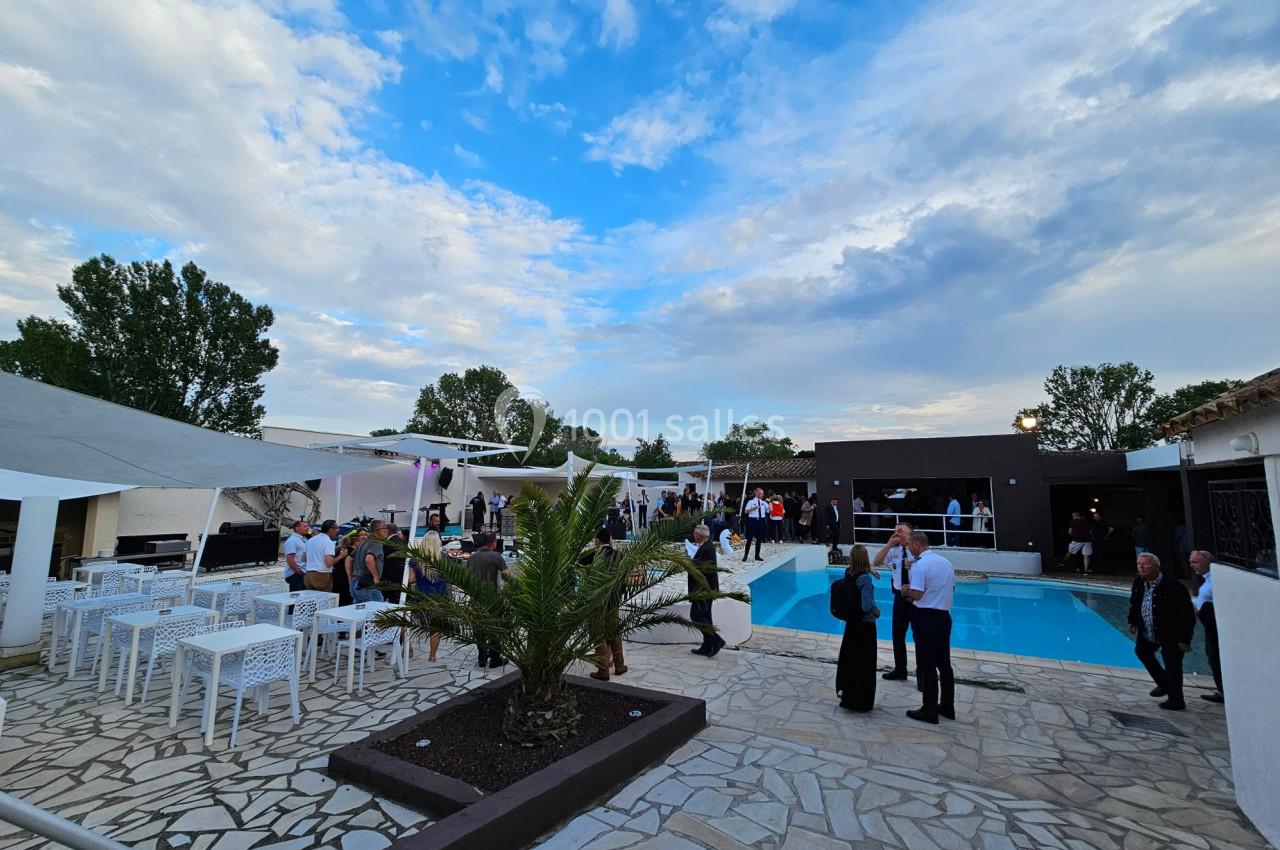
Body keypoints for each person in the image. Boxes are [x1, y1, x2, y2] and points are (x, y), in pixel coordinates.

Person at [1127, 552, 1196, 711]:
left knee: (1173, 665)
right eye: (1139, 564)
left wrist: (1185, 639)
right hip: (1148, 631)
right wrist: (1132, 620)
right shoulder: (1139, 582)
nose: (1141, 567)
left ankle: (1176, 700)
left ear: (1157, 566)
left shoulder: (1174, 587)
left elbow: (1186, 615)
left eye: (1145, 564)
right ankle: (1164, 683)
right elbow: (1135, 602)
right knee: (1142, 652)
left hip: (1170, 633)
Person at [904, 531, 956, 724]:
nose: (908, 548)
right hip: (943, 615)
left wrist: (906, 590)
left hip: (926, 616)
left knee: (927, 664)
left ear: (917, 544)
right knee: (944, 663)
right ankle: (947, 705)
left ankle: (929, 709)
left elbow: (917, 594)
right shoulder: (945, 562)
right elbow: (952, 587)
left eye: (909, 544)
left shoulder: (920, 565)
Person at [832, 544, 879, 712]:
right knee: (865, 664)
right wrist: (876, 610)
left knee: (850, 661)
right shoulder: (865, 580)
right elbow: (866, 606)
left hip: (851, 624)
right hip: (865, 626)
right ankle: (862, 701)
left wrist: (869, 570)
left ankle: (847, 696)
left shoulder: (849, 573)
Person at [580, 529, 628, 681]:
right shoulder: (620, 555)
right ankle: (619, 665)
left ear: (597, 541)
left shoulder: (592, 555)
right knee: (614, 631)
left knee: (598, 634)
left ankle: (603, 671)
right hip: (613, 600)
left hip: (597, 601)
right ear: (611, 540)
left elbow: (577, 566)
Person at [875, 522, 916, 682]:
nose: (897, 534)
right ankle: (900, 669)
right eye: (895, 531)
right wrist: (888, 544)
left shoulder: (916, 548)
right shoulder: (894, 549)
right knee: (897, 634)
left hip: (916, 597)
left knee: (919, 635)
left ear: (910, 534)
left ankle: (923, 676)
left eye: (900, 531)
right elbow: (877, 562)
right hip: (900, 596)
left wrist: (914, 565)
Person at [408, 526, 448, 663]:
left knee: (404, 622)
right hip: (440, 597)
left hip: (421, 596)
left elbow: (410, 579)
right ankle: (432, 655)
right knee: (436, 627)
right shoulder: (444, 558)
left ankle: (409, 648)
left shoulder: (415, 559)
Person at [468, 533, 508, 668]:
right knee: (494, 627)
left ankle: (482, 657)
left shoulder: (472, 558)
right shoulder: (496, 556)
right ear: (493, 543)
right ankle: (495, 658)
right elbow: (507, 576)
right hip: (492, 599)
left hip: (476, 598)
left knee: (479, 627)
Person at [1189, 550, 1223, 703]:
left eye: (1195, 562)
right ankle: (1222, 690)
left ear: (1208, 562)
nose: (1192, 565)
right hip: (1209, 624)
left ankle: (1224, 691)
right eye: (1191, 562)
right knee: (1213, 657)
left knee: (1216, 657)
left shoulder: (1216, 579)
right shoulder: (1207, 579)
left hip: (1215, 626)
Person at [689, 524, 725, 657]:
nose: (693, 535)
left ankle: (716, 640)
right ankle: (706, 645)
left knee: (696, 616)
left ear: (700, 535)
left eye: (695, 533)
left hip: (704, 589)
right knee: (706, 617)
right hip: (706, 589)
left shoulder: (706, 549)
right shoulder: (707, 546)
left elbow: (701, 568)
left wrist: (688, 563)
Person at [351, 520, 389, 603]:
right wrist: (375, 577)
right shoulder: (376, 542)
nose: (387, 530)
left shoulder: (363, 543)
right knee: (375, 612)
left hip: (355, 583)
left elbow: (348, 559)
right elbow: (369, 559)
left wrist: (350, 577)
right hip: (368, 585)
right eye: (384, 528)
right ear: (376, 529)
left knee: (358, 613)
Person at [303, 519, 344, 592]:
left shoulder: (310, 540)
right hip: (322, 574)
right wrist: (341, 556)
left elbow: (303, 559)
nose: (338, 530)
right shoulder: (328, 542)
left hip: (308, 574)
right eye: (337, 528)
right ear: (331, 529)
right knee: (323, 600)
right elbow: (329, 563)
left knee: (311, 601)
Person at [334, 529, 364, 606]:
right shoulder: (353, 552)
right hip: (348, 577)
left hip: (339, 577)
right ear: (355, 541)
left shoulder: (341, 549)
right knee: (348, 599)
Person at [741, 488, 769, 562]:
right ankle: (745, 556)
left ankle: (757, 556)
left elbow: (769, 510)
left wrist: (771, 503)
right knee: (749, 539)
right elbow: (746, 511)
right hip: (753, 521)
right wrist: (752, 509)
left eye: (763, 493)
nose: (762, 495)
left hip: (761, 521)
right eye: (761, 493)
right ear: (756, 493)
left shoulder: (763, 502)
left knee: (759, 539)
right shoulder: (751, 502)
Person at [381, 525, 407, 602]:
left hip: (388, 577)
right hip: (401, 576)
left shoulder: (388, 543)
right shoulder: (403, 541)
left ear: (387, 530)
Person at [283, 519, 309, 592]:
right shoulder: (292, 541)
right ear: (297, 528)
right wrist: (298, 571)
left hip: (304, 572)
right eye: (305, 526)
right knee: (297, 598)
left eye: (307, 526)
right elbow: (290, 559)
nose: (307, 528)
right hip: (296, 573)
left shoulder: (304, 539)